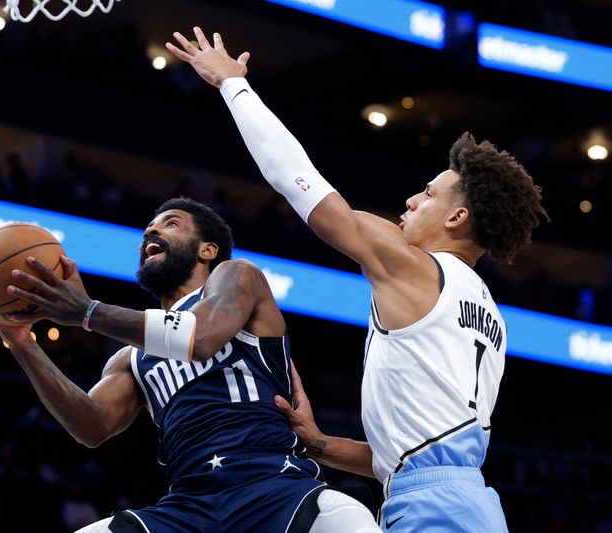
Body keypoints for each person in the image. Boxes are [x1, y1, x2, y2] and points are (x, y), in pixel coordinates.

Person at [167, 28, 547, 532]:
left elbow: (299, 183)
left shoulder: (416, 268)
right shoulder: (490, 319)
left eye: (428, 194)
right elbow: (412, 455)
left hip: (432, 509)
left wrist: (235, 87)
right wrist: (320, 444)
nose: (411, 201)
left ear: (457, 219)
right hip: (473, 505)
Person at [0, 197, 380, 533]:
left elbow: (199, 338)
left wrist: (88, 312)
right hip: (190, 507)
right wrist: (22, 343)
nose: (151, 231)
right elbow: (91, 427)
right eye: (149, 227)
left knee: (353, 521)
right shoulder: (131, 356)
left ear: (208, 249)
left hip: (276, 491)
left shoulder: (238, 276)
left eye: (170, 223)